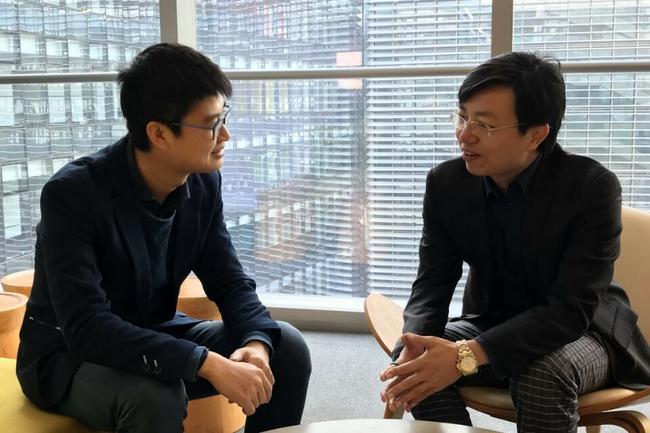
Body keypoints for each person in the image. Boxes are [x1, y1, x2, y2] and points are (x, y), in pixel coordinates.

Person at [16, 42, 311, 433]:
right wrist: (206, 362)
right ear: (158, 133)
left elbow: (229, 281)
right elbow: (87, 327)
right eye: (211, 124)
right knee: (156, 396)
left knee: (285, 348)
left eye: (224, 117)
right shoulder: (72, 195)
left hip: (154, 330)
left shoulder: (203, 183)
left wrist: (256, 343)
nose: (225, 134)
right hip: (70, 355)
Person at [379, 51, 650, 432]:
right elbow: (432, 283)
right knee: (419, 361)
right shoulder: (446, 183)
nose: (465, 135)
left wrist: (466, 355)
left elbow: (571, 310)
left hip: (587, 333)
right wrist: (416, 342)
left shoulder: (591, 188)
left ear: (536, 134)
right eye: (463, 117)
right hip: (492, 322)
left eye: (485, 125)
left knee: (542, 374)